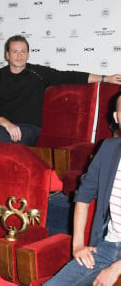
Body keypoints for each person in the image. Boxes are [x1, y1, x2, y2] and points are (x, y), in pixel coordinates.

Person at [0, 35, 121, 146]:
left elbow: (69, 76)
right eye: (15, 51)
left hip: (29, 128)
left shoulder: (38, 73)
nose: (19, 56)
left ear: (28, 55)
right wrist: (7, 124)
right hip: (3, 126)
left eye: (23, 51)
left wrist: (105, 78)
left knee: (11, 145)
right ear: (7, 55)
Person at [44, 91, 121, 285]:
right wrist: (77, 245)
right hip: (107, 247)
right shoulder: (109, 148)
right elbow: (83, 196)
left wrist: (117, 268)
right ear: (116, 117)